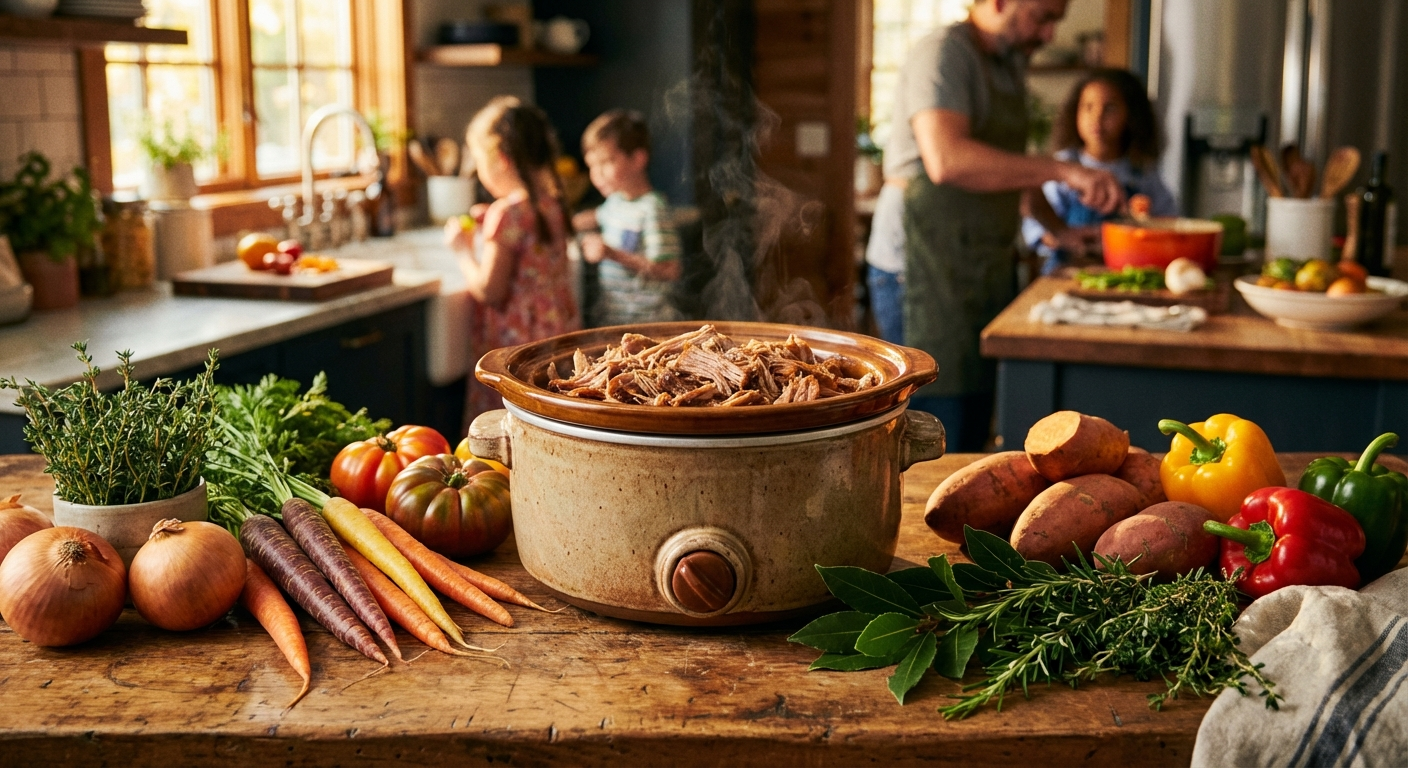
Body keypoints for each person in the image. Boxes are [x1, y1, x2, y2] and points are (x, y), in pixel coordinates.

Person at [864, 0, 1123, 451]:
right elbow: (947, 161)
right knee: (933, 427)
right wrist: (1064, 171)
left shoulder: (1006, 67)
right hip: (921, 267)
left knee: (974, 420)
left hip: (979, 262)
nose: (1048, 36)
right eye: (1043, 17)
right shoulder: (944, 52)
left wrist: (1056, 229)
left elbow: (1009, 170)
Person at [445, 96, 581, 424]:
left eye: (479, 161)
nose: (479, 171)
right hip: (553, 336)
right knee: (543, 422)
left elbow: (491, 291)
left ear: (502, 160)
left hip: (513, 350)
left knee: (505, 426)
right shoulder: (552, 203)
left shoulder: (506, 214)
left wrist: (462, 250)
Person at [1022, 68, 1178, 273]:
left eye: (1110, 108)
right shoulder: (1063, 167)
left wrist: (1145, 225)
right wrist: (1061, 236)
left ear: (1132, 115)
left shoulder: (1141, 172)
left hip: (1127, 270)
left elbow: (1171, 221)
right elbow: (1035, 225)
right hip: (1068, 270)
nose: (1097, 117)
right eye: (1088, 107)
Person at [572, 109, 682, 327]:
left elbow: (670, 270)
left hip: (650, 324)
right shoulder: (615, 202)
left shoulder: (652, 209)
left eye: (606, 162)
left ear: (637, 159)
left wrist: (613, 254)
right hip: (616, 320)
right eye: (592, 165)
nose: (596, 174)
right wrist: (558, 222)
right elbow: (594, 217)